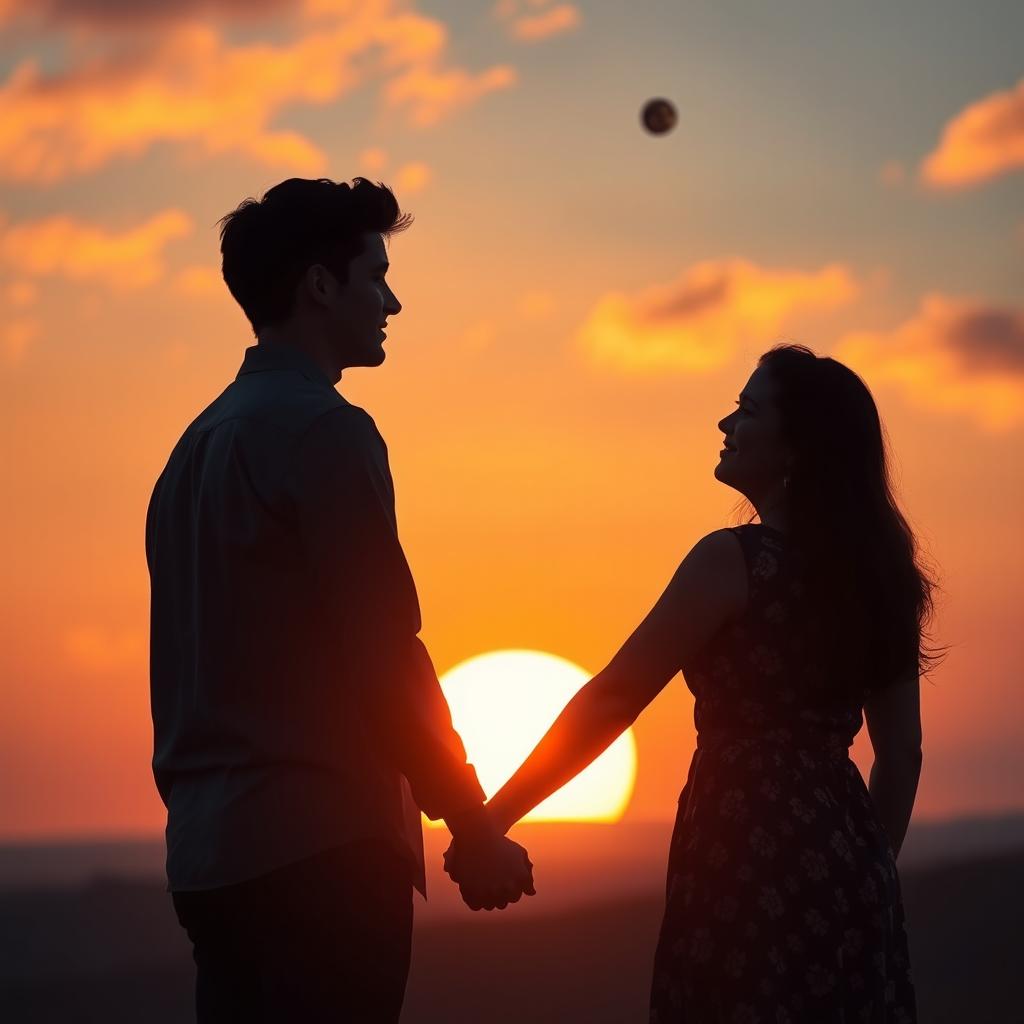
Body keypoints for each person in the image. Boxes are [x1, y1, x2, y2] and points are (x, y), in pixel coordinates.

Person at [448, 344, 943, 1022]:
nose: (724, 423)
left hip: (739, 848)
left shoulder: (733, 561)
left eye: (746, 409)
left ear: (796, 446)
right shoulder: (880, 579)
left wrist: (489, 821)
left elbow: (614, 699)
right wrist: (867, 871)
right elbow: (903, 753)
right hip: (849, 862)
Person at [145, 176, 534, 1024]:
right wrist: (469, 820)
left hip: (209, 862)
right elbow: (384, 653)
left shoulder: (190, 453)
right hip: (321, 853)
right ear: (321, 286)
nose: (393, 301)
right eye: (377, 275)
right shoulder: (325, 431)